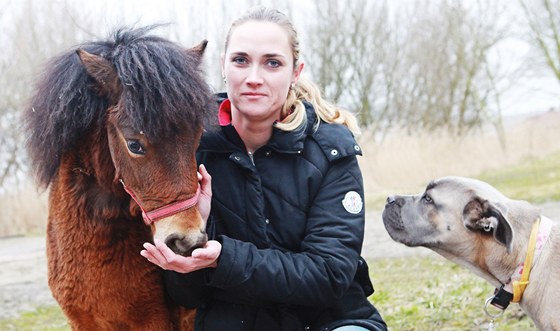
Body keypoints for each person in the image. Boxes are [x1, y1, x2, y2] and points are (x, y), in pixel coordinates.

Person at [141, 6, 387, 331]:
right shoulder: (190, 148)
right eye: (241, 60)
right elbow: (187, 295)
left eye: (272, 63)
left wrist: (223, 257)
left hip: (331, 320)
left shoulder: (330, 148)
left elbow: (329, 275)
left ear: (296, 72)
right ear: (224, 66)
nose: (254, 78)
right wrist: (195, 235)